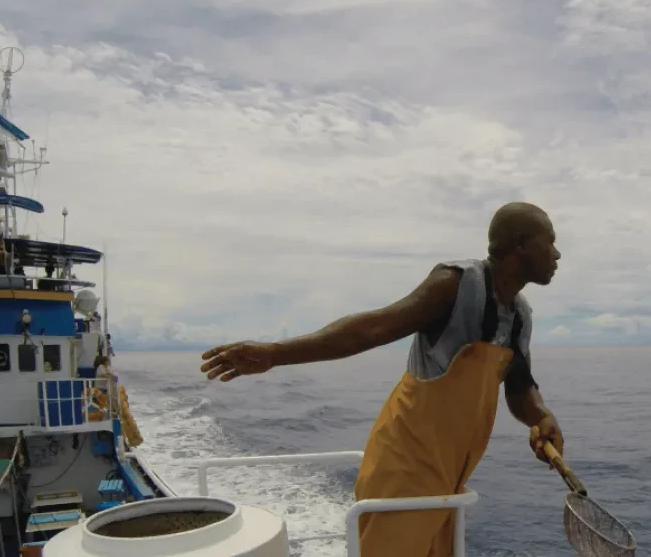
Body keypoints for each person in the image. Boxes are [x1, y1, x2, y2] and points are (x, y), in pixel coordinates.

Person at [200, 201, 564, 556]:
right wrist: (275, 354)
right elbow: (371, 329)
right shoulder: (455, 283)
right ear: (520, 244)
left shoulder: (519, 315)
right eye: (550, 241)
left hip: (450, 479)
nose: (557, 254)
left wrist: (541, 417)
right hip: (404, 472)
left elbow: (520, 387)